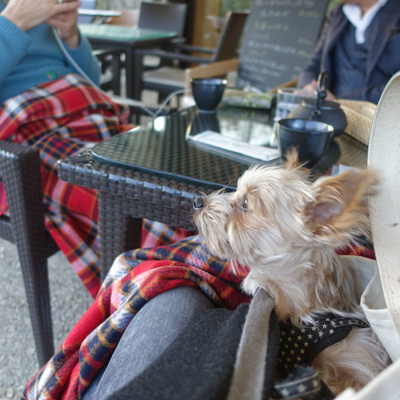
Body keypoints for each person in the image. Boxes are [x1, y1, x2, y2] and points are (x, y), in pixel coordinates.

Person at [0, 0, 134, 297]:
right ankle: (155, 281)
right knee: (115, 190)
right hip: (27, 127)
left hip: (86, 109)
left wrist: (72, 35)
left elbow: (92, 79)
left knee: (155, 168)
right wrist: (12, 22)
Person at [297, 0, 400, 104]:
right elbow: (313, 65)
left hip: (378, 115)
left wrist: (339, 102)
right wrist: (309, 87)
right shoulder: (338, 14)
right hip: (328, 111)